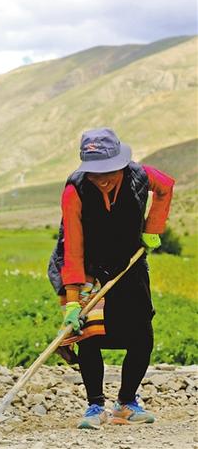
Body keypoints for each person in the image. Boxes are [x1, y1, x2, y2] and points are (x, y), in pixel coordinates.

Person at [48, 128, 174, 430]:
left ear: (121, 163)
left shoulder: (140, 175)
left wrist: (153, 228)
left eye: (109, 171)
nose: (102, 178)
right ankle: (95, 406)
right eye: (95, 173)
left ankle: (126, 404)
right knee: (88, 332)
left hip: (130, 262)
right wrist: (73, 301)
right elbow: (72, 247)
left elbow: (166, 186)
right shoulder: (75, 190)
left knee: (142, 333)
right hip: (90, 267)